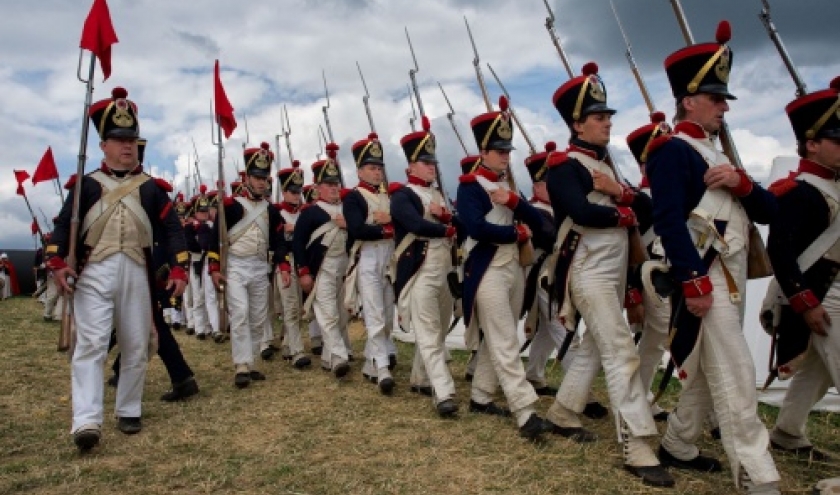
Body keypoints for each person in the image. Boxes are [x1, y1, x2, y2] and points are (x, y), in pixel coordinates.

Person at [647, 22, 780, 493]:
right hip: (705, 274)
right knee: (739, 370)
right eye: (716, 98)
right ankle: (757, 473)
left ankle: (679, 444)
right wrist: (692, 281)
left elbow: (771, 211)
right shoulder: (670, 151)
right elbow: (666, 220)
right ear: (689, 100)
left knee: (708, 368)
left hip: (734, 273)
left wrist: (743, 184)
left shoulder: (717, 153)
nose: (724, 106)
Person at [542, 62, 672, 487]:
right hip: (588, 271)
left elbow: (646, 210)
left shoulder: (608, 168)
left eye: (608, 116)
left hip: (614, 270)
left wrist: (623, 195)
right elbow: (579, 211)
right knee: (620, 349)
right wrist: (622, 209)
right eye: (599, 117)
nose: (607, 122)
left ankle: (562, 412)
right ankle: (637, 444)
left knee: (596, 347)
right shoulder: (563, 165)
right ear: (577, 123)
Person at [46, 87, 189, 451]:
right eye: (118, 139)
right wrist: (58, 260)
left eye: (131, 140)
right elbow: (64, 225)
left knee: (137, 343)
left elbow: (172, 229)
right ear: (103, 145)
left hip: (138, 271)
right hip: (94, 270)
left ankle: (128, 408)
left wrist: (178, 269)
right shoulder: (87, 185)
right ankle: (86, 420)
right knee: (91, 344)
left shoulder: (152, 189)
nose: (127, 146)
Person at [457, 96, 553, 440]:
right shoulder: (470, 186)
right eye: (499, 151)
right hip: (487, 269)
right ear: (483, 151)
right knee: (504, 338)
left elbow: (539, 223)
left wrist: (515, 204)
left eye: (507, 151)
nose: (505, 156)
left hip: (513, 268)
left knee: (497, 337)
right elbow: (474, 228)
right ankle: (525, 410)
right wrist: (513, 232)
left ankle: (481, 397)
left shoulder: (509, 189)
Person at [764, 76, 840, 464]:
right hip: (821, 292)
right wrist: (804, 301)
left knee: (818, 371)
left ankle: (788, 433)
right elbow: (780, 249)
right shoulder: (797, 191)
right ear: (812, 144)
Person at [391, 117, 458, 416]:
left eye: (433, 161)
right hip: (419, 270)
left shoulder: (438, 194)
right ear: (410, 167)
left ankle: (420, 378)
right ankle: (443, 392)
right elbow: (413, 224)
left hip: (444, 268)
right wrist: (445, 227)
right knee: (429, 333)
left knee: (440, 328)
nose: (432, 167)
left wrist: (446, 218)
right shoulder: (403, 195)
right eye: (425, 162)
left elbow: (457, 224)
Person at [209, 142, 284, 389]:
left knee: (258, 316)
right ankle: (241, 364)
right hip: (236, 267)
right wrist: (214, 267)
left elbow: (277, 241)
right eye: (257, 177)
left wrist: (282, 266)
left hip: (259, 266)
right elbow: (216, 238)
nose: (261, 182)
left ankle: (250, 363)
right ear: (247, 177)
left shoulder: (271, 211)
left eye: (264, 178)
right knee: (240, 314)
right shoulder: (230, 206)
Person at [625, 111, 673, 422]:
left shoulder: (673, 195)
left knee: (655, 345)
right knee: (656, 342)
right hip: (650, 281)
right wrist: (633, 294)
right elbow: (630, 251)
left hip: (671, 277)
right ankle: (636, 398)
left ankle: (640, 397)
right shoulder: (639, 201)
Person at [343, 132, 398, 394]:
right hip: (368, 256)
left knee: (387, 314)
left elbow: (400, 222)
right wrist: (385, 227)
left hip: (390, 257)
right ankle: (382, 367)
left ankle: (371, 362)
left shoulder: (388, 196)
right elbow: (356, 230)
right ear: (360, 170)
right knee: (374, 313)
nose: (377, 173)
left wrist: (388, 222)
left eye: (379, 168)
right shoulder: (354, 197)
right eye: (372, 168)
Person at [291, 147, 352, 379]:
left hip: (344, 266)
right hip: (322, 268)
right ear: (317, 188)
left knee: (341, 312)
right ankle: (338, 356)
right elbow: (298, 244)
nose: (334, 187)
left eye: (336, 183)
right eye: (329, 184)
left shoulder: (347, 209)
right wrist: (304, 272)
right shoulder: (310, 213)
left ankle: (330, 355)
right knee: (327, 314)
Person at [274, 160, 312, 370]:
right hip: (285, 261)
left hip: (302, 261)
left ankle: (289, 344)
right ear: (283, 191)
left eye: (298, 191)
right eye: (292, 191)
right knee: (290, 307)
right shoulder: (276, 212)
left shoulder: (305, 212)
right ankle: (297, 351)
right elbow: (276, 241)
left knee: (298, 307)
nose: (296, 195)